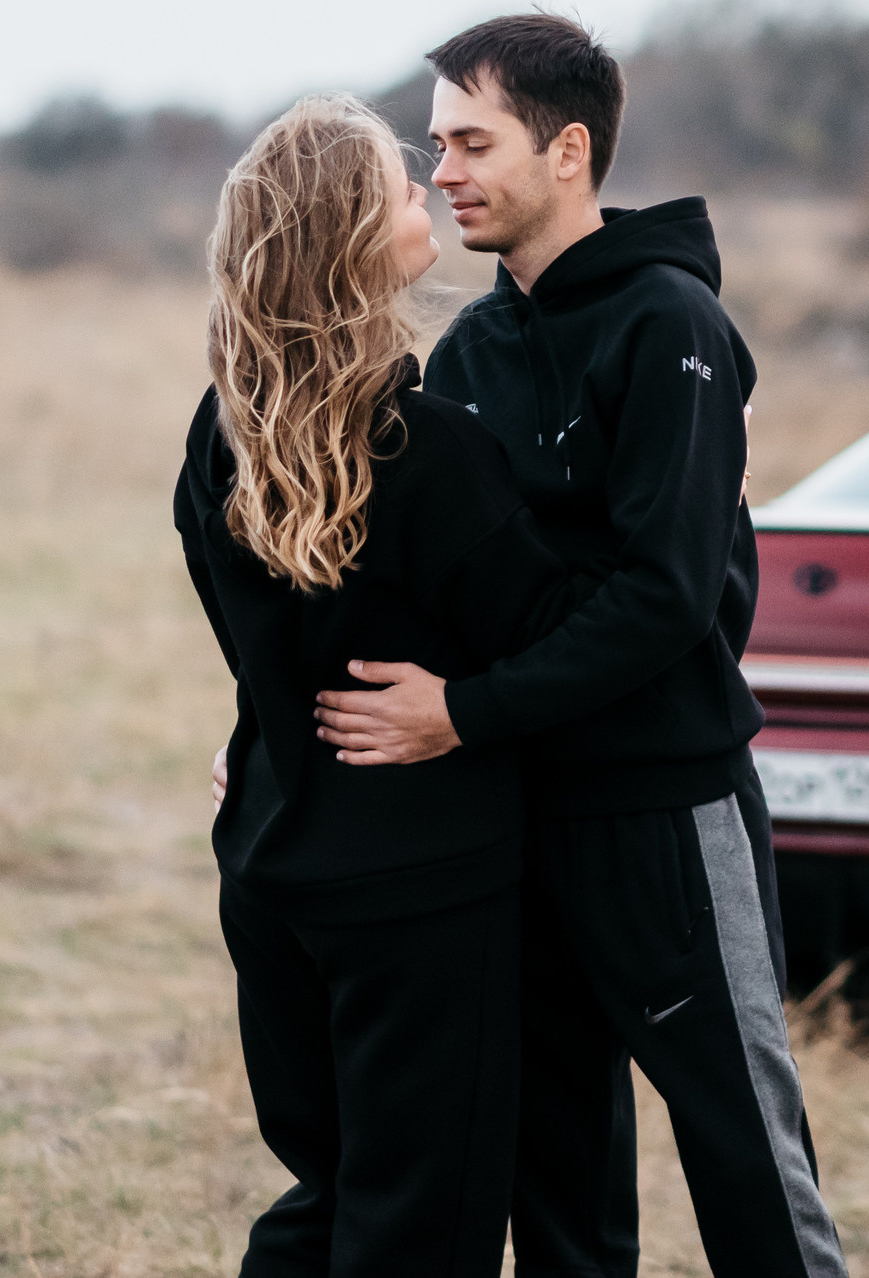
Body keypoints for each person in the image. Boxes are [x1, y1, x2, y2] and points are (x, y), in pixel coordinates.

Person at [311, 14, 847, 1278]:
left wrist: (467, 713)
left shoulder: (672, 329)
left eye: (471, 141)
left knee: (744, 1160)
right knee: (558, 1179)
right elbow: (415, 586)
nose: (441, 170)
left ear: (568, 153)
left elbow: (663, 602)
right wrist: (273, 735)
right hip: (513, 826)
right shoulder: (471, 349)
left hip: (664, 814)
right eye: (435, 143)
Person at [177, 94, 589, 1276]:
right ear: (356, 239)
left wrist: (257, 743)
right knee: (423, 1226)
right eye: (406, 189)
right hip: (421, 895)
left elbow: (260, 656)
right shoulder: (427, 449)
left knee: (337, 1190)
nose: (431, 197)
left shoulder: (219, 437)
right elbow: (557, 641)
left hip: (271, 867)